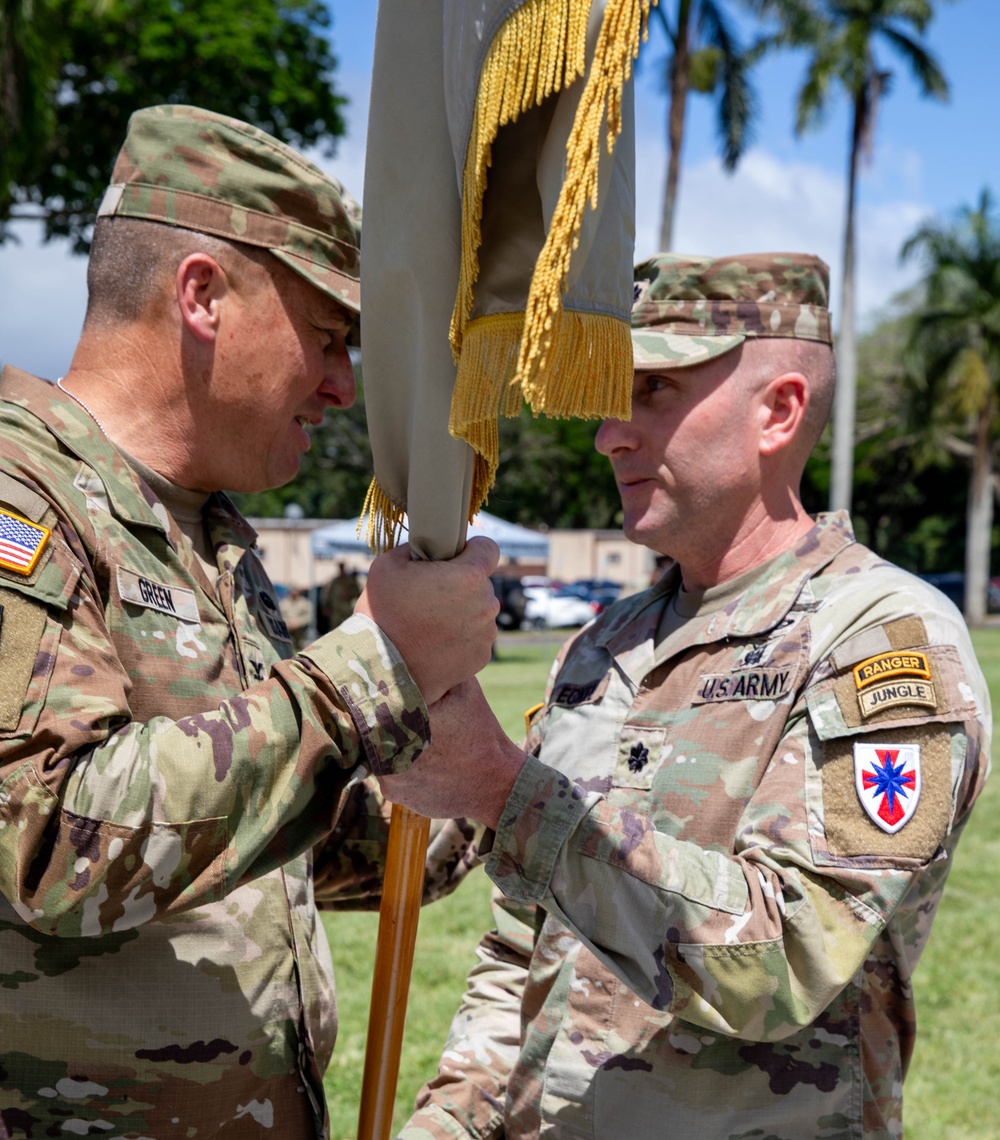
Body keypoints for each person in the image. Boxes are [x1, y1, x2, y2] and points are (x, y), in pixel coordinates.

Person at [380, 253, 992, 1139]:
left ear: (777, 411)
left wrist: (503, 791)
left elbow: (784, 959)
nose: (609, 435)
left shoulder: (883, 642)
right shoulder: (606, 641)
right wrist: (451, 1125)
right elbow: (524, 946)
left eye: (655, 392)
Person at [0, 104, 500, 1138]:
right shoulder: (21, 498)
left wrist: (495, 781)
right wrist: (374, 666)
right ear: (201, 296)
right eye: (326, 336)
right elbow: (44, 849)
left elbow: (274, 839)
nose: (341, 387)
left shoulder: (212, 536)